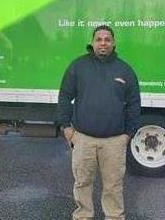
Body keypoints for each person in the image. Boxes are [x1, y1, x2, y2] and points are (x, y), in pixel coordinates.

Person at [57, 25, 141, 220]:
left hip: (114, 141)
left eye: (107, 39)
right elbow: (64, 97)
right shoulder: (78, 66)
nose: (103, 43)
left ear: (113, 43)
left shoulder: (125, 70)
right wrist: (67, 128)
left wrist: (128, 135)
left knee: (113, 186)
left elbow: (134, 104)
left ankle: (114, 217)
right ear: (92, 42)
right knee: (82, 183)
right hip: (83, 139)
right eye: (99, 39)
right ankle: (83, 216)